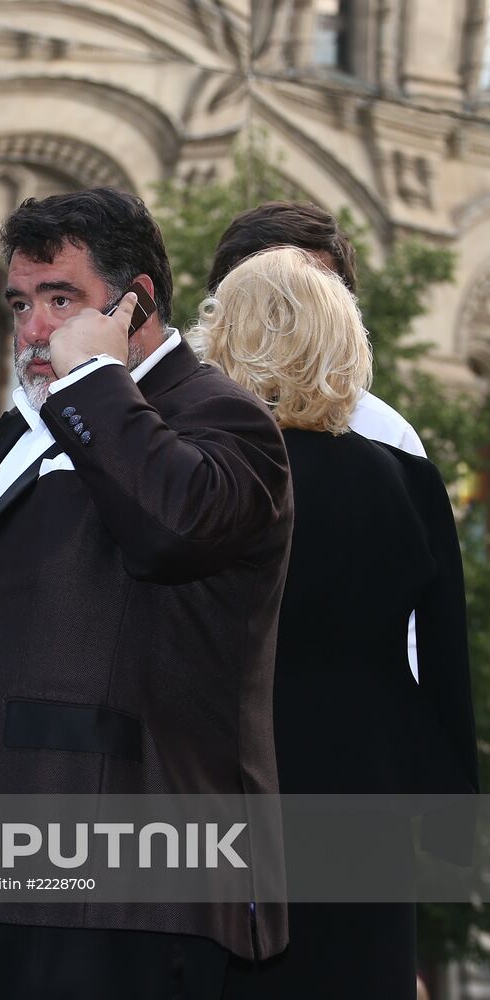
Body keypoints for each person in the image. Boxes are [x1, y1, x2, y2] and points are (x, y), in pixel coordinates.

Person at [0, 188, 295, 999]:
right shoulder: (25, 425)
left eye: (63, 300)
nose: (33, 329)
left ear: (137, 304)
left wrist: (94, 376)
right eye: (21, 303)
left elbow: (173, 527)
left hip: (97, 879)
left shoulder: (221, 418)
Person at [193, 247, 478, 999]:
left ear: (226, 342)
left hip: (227, 778)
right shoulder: (407, 478)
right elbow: (443, 653)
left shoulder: (214, 478)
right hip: (367, 789)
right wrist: (454, 824)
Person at [206, 200, 424, 457]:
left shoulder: (387, 436)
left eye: (314, 297)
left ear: (344, 313)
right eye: (272, 299)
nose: (293, 323)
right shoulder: (174, 418)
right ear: (222, 303)